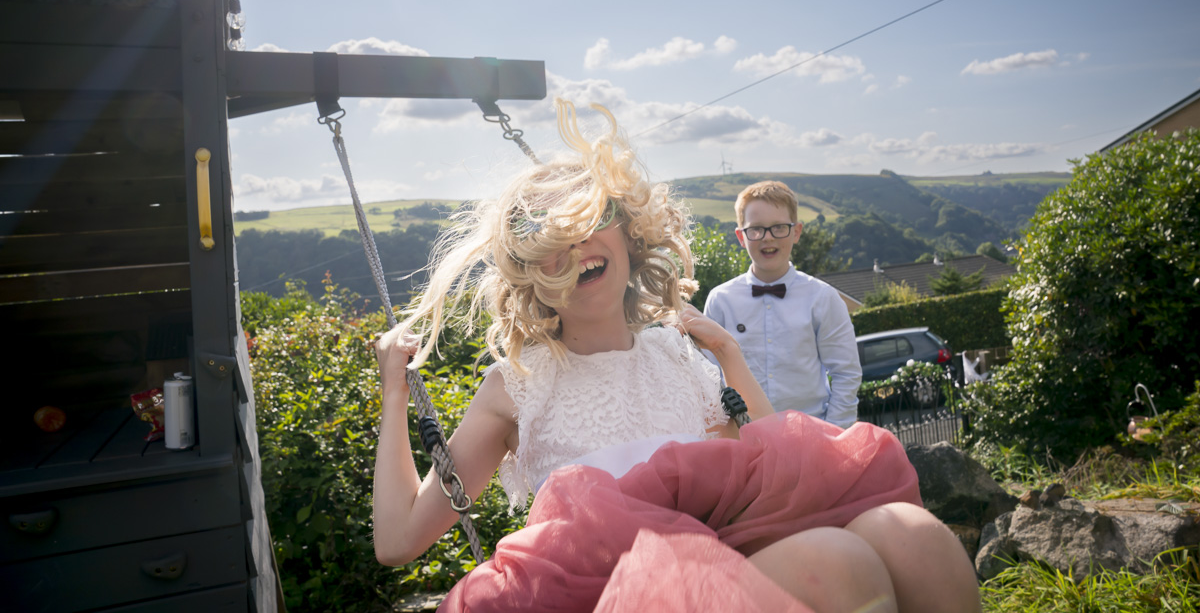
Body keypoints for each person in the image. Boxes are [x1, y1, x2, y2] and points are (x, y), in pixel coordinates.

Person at [371, 100, 981, 613]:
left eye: (591, 219)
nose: (577, 246)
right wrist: (395, 394)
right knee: (836, 562)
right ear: (528, 273)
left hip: (723, 556)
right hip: (610, 594)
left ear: (630, 237)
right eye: (548, 241)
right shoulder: (519, 386)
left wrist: (729, 356)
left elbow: (772, 475)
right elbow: (399, 540)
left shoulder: (677, 356)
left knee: (913, 536)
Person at [704, 181, 862, 427]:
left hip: (812, 434)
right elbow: (708, 377)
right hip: (744, 438)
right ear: (740, 237)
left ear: (796, 231)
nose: (768, 238)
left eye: (779, 227)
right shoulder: (720, 300)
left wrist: (834, 437)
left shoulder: (823, 298)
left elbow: (846, 374)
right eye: (755, 229)